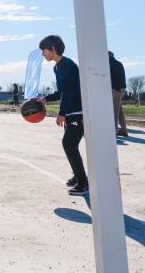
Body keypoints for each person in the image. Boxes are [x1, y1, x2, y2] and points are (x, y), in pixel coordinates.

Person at [35, 35, 88, 196]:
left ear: (52, 49)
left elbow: (71, 92)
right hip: (72, 112)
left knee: (69, 144)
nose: (43, 54)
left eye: (44, 51)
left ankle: (83, 182)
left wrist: (62, 113)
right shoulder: (58, 67)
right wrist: (46, 98)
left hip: (77, 112)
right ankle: (78, 175)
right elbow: (62, 92)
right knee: (70, 145)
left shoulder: (66, 65)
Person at [109, 51, 128, 136]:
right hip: (119, 89)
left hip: (116, 89)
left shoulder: (112, 64)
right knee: (119, 109)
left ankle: (113, 130)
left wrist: (116, 89)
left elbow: (118, 77)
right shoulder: (116, 63)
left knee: (114, 110)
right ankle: (123, 129)